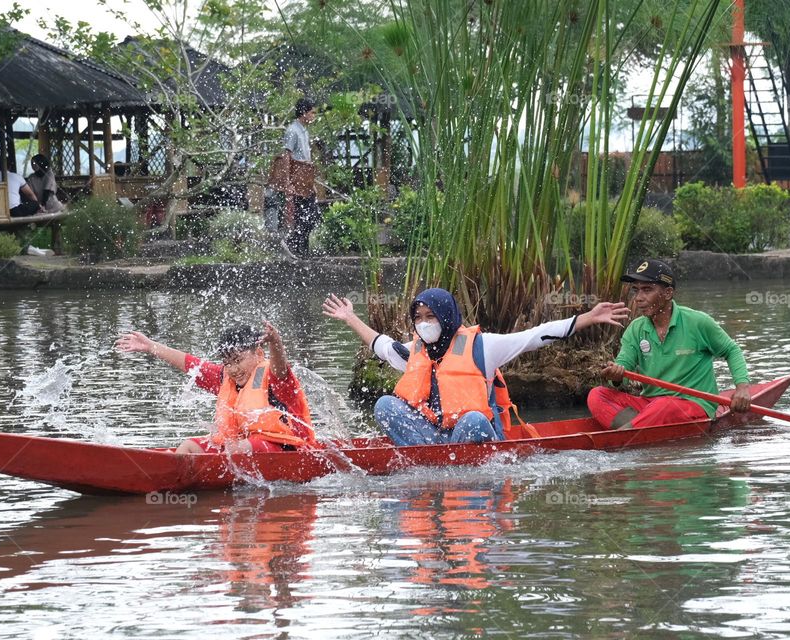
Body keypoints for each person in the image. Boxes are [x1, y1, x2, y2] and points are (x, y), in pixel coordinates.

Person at [323, 288, 629, 446]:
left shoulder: (483, 347)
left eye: (430, 316)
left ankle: (443, 466)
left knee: (472, 419)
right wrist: (350, 317)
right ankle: (424, 461)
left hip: (474, 434)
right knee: (385, 405)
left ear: (446, 316)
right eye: (418, 318)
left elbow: (535, 336)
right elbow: (380, 344)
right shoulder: (414, 351)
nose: (423, 323)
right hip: (432, 440)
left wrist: (588, 318)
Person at [588, 258, 752, 430]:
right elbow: (624, 364)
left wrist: (742, 388)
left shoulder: (698, 322)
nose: (638, 298)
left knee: (665, 405)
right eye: (635, 290)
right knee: (596, 395)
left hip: (693, 404)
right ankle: (637, 428)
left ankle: (629, 431)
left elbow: (731, 350)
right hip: (651, 404)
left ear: (668, 293)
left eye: (647, 290)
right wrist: (616, 375)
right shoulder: (635, 329)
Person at [115, 322, 316, 454]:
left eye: (238, 360)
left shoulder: (274, 377)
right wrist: (151, 346)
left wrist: (276, 342)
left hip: (290, 449)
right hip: (241, 448)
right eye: (227, 363)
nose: (233, 369)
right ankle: (173, 480)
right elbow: (191, 364)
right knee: (188, 447)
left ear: (258, 353)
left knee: (237, 448)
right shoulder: (225, 377)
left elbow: (281, 368)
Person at [267, 98, 319, 259]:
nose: (314, 115)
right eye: (312, 112)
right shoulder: (292, 130)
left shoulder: (304, 130)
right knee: (304, 216)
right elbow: (286, 157)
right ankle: (291, 244)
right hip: (296, 181)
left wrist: (312, 183)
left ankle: (301, 251)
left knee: (312, 216)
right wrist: (287, 182)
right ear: (304, 113)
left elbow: (306, 158)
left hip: (305, 180)